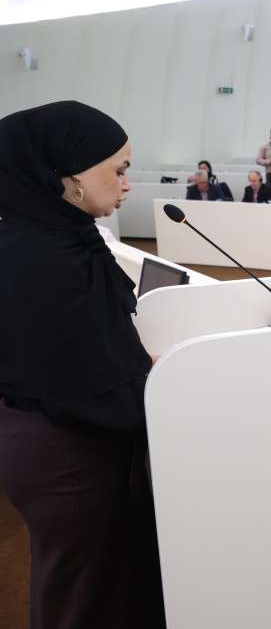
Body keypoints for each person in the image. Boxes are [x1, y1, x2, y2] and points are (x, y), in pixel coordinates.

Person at [0, 101, 165, 628]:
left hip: (53, 439)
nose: (127, 184)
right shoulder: (42, 257)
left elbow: (87, 349)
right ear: (69, 175)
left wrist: (141, 367)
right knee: (81, 591)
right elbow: (84, 383)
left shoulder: (57, 233)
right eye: (118, 170)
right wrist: (162, 386)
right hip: (63, 455)